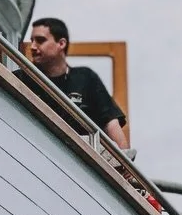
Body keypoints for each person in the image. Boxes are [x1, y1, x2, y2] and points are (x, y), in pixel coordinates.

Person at [25, 17, 129, 148]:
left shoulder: (85, 78)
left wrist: (124, 161)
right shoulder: (22, 78)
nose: (33, 46)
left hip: (79, 160)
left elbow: (110, 123)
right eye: (32, 41)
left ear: (61, 44)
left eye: (40, 40)